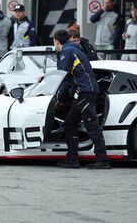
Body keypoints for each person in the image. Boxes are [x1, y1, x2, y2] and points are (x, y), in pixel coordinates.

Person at [53, 29, 110, 169]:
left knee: (92, 127)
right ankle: (73, 159)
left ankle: (102, 160)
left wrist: (55, 93)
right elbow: (68, 78)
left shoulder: (67, 52)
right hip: (85, 92)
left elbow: (63, 75)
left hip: (86, 92)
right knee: (69, 124)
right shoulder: (72, 50)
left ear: (56, 41)